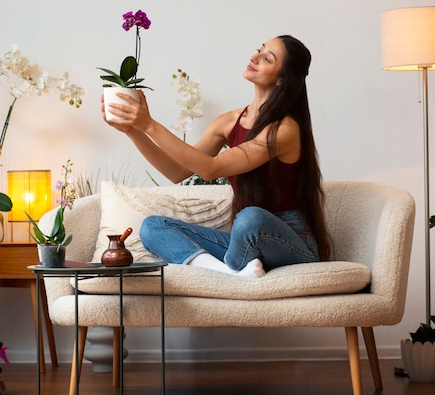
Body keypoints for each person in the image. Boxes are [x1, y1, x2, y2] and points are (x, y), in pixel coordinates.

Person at [101, 34, 331, 278]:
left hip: (289, 242)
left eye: (266, 58)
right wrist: (133, 132)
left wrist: (149, 125)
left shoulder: (285, 130)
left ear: (281, 80)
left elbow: (210, 169)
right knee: (153, 227)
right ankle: (229, 272)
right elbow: (177, 172)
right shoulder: (229, 122)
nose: (253, 57)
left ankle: (233, 270)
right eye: (258, 50)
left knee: (250, 218)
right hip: (245, 243)